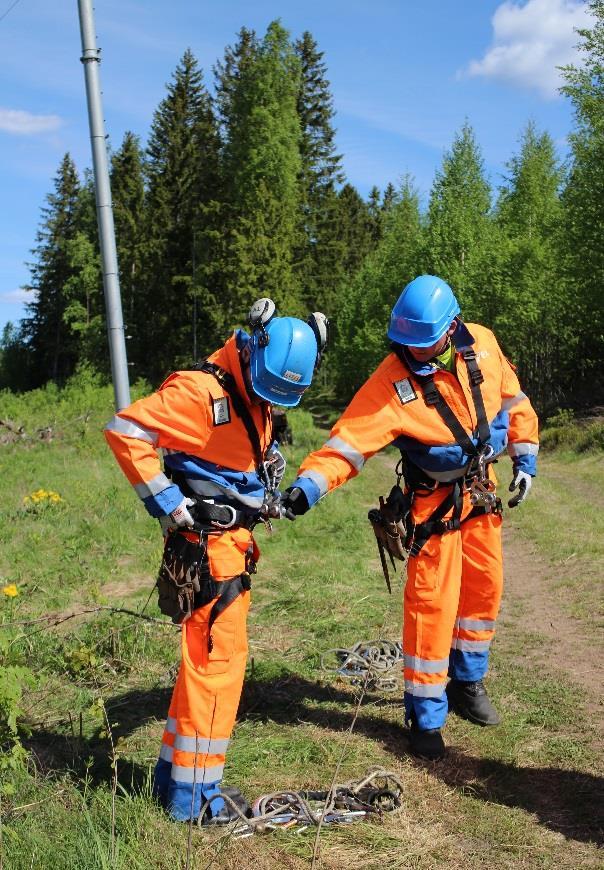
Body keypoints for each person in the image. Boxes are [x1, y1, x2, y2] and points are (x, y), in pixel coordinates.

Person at [281, 275, 538, 760]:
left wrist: (525, 460)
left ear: (452, 327)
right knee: (431, 606)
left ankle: (468, 681)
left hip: (479, 491)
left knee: (485, 589)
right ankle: (425, 717)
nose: (414, 353)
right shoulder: (389, 382)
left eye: (423, 344)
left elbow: (514, 401)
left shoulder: (481, 344)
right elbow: (347, 443)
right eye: (407, 344)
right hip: (431, 506)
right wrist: (308, 487)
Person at [104, 299, 326, 822]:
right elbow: (126, 430)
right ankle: (196, 800)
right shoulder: (198, 392)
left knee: (204, 669)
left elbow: (235, 444)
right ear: (252, 349)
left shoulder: (257, 384)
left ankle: (173, 778)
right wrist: (166, 501)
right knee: (217, 668)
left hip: (232, 545)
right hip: (207, 547)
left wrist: (263, 462)